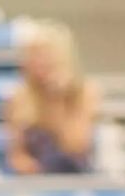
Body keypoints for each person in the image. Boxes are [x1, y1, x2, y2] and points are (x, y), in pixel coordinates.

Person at [5, 20, 100, 175]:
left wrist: (56, 100)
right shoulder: (19, 97)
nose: (39, 62)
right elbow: (16, 153)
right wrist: (26, 166)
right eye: (34, 56)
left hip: (77, 173)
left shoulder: (84, 92)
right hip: (35, 178)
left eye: (45, 56)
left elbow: (76, 146)